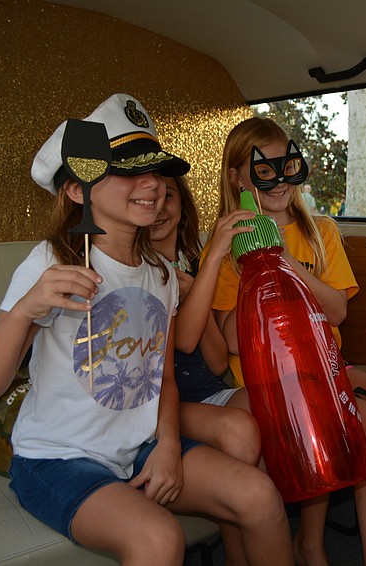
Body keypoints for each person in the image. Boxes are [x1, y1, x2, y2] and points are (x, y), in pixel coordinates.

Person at [0, 94, 293, 566]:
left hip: (138, 448)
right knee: (157, 538)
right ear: (78, 189)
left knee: (260, 495)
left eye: (155, 170)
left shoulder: (160, 273)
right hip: (57, 459)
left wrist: (170, 445)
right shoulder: (52, 261)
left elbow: (166, 380)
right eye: (127, 170)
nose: (152, 183)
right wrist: (25, 310)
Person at [206, 116, 366, 566]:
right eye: (263, 170)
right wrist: (257, 262)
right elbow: (232, 339)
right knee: (329, 420)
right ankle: (311, 545)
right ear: (238, 177)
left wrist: (283, 258)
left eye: (286, 165)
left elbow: (337, 311)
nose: (279, 181)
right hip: (264, 384)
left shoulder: (319, 233)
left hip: (324, 371)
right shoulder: (225, 246)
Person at [150, 175, 272, 564]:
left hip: (206, 389)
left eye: (168, 197)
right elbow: (181, 343)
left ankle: (270, 533)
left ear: (183, 205)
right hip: (163, 403)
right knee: (237, 430)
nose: (158, 208)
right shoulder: (141, 269)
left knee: (271, 400)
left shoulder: (191, 262)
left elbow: (218, 361)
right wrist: (204, 274)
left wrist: (195, 289)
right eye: (149, 198)